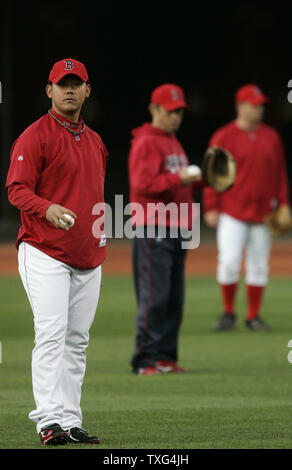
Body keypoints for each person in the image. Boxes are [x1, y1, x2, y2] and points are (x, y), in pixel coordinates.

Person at [6, 58, 108, 445]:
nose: (69, 89)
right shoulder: (35, 136)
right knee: (51, 334)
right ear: (49, 90)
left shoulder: (96, 141)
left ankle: (70, 419)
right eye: (61, 83)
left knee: (77, 341)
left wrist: (99, 236)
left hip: (87, 256)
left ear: (87, 90)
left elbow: (92, 197)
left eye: (76, 83)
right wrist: (46, 208)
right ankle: (48, 420)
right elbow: (16, 189)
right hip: (44, 250)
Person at [128, 83, 204, 375]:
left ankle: (165, 356)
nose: (175, 117)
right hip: (153, 224)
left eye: (179, 111)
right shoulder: (147, 140)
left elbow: (178, 182)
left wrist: (204, 180)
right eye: (170, 111)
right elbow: (142, 184)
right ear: (154, 110)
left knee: (174, 298)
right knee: (155, 296)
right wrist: (180, 179)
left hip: (177, 225)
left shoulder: (172, 140)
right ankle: (145, 358)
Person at [203, 84, 290, 331]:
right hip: (233, 210)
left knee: (259, 263)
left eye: (261, 104)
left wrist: (284, 203)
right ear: (240, 106)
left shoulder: (271, 136)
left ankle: (253, 316)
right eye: (255, 104)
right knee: (229, 261)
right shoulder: (224, 136)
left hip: (264, 213)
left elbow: (280, 173)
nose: (259, 108)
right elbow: (212, 173)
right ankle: (228, 312)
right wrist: (211, 205)